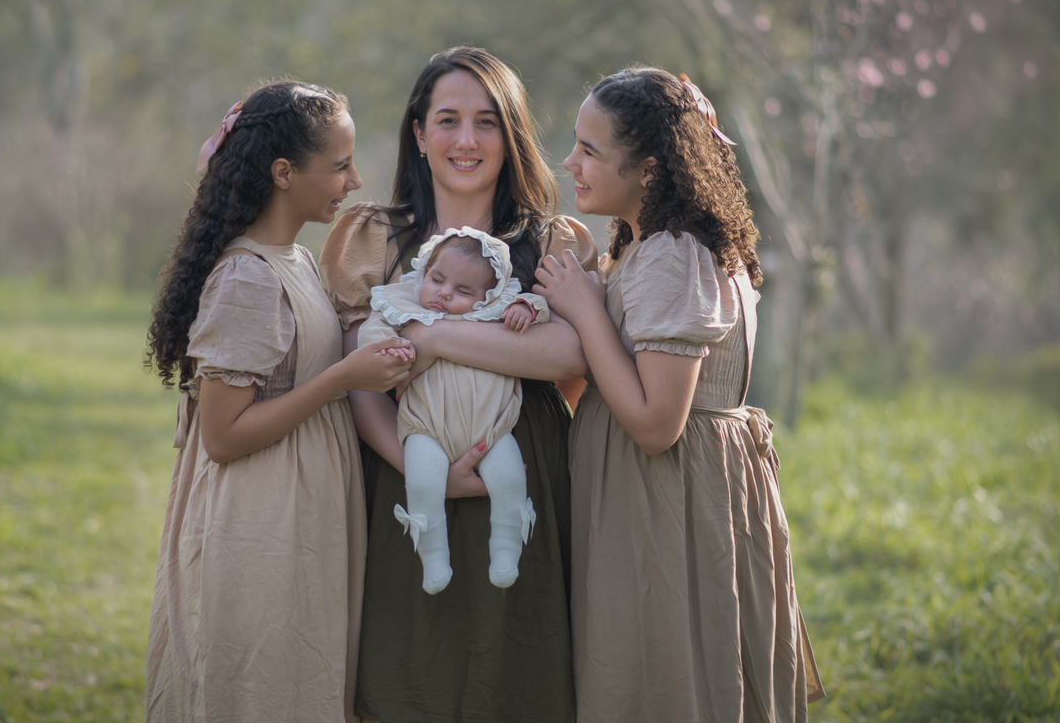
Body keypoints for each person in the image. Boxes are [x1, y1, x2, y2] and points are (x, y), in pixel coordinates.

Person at [534, 67, 824, 723]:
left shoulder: (671, 254)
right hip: (666, 490)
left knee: (664, 674)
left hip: (666, 497)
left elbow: (657, 422)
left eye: (590, 150)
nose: (569, 162)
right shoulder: (655, 246)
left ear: (650, 168)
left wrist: (583, 310)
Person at [319, 46, 597, 723]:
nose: (466, 140)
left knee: (518, 663)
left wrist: (433, 337)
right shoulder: (372, 238)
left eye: (487, 122)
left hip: (524, 461)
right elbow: (356, 374)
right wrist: (422, 474)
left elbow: (568, 353)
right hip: (405, 469)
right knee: (413, 663)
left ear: (512, 134)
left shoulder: (548, 241)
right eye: (447, 120)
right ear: (419, 134)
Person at [144, 80, 414, 723]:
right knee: (261, 688)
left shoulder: (291, 258)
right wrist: (345, 377)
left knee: (303, 684)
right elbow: (224, 435)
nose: (354, 181)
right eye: (341, 165)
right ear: (284, 172)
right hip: (258, 522)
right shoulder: (247, 277)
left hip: (301, 511)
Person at [358, 227, 548, 594]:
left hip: (491, 430)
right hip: (425, 428)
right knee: (423, 484)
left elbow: (543, 312)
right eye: (437, 279)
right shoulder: (404, 305)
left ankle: (507, 549)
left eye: (463, 291)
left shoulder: (495, 311)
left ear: (487, 296)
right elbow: (371, 331)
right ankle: (432, 557)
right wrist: (387, 347)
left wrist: (527, 308)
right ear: (425, 271)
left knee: (510, 481)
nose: (444, 293)